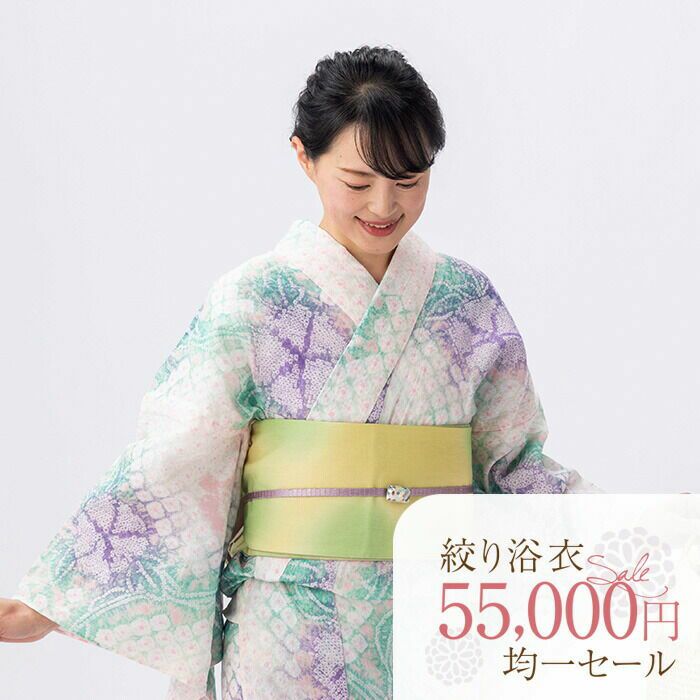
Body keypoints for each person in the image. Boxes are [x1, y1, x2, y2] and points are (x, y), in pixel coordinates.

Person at [1, 44, 603, 699]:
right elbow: (176, 459)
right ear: (304, 157)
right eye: (358, 182)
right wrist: (53, 601)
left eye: (409, 181)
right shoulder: (255, 299)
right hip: (288, 632)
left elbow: (512, 465)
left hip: (442, 621)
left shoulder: (465, 302)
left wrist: (646, 536)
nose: (384, 205)